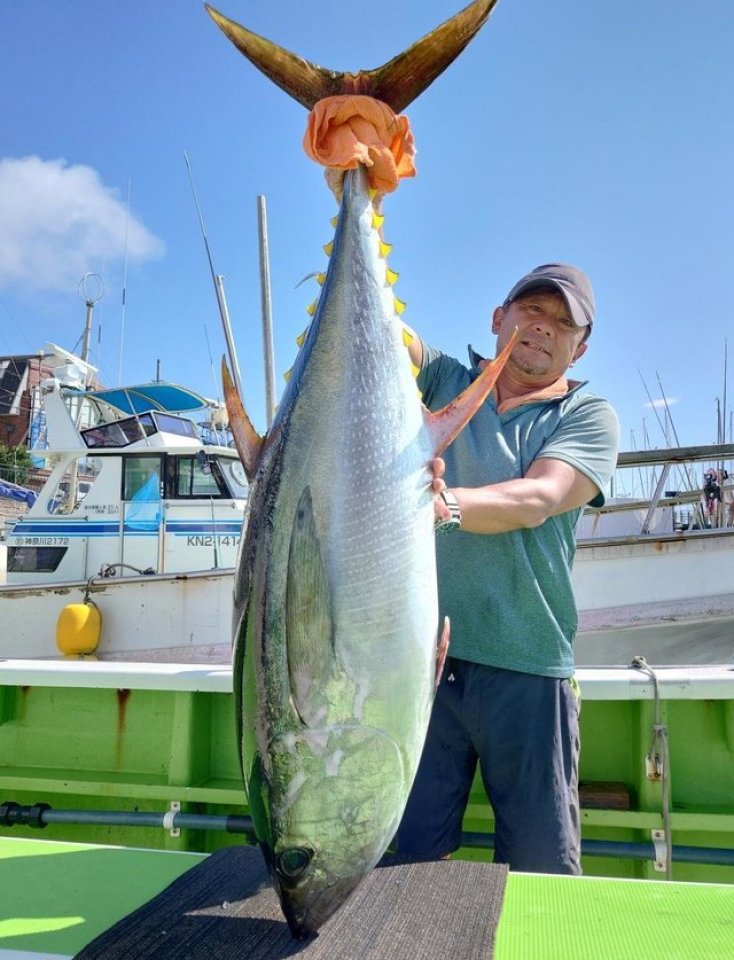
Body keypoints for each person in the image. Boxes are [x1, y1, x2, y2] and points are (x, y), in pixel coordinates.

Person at [396, 263, 620, 874]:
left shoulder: (586, 415)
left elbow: (539, 498)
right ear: (499, 318)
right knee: (406, 860)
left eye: (562, 322)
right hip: (424, 667)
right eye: (532, 310)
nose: (543, 328)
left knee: (540, 869)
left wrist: (441, 506)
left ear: (581, 345)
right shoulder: (445, 379)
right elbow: (386, 329)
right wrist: (360, 188)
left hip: (528, 669)